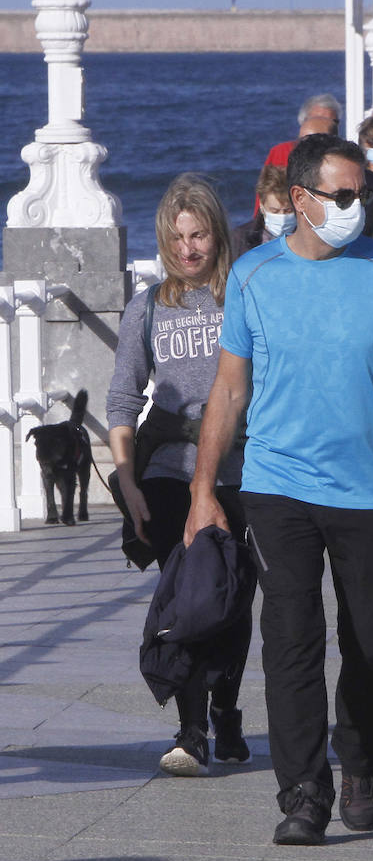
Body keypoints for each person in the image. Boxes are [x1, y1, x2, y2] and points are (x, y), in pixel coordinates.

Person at [185, 133, 373, 844]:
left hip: (371, 488)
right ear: (299, 199)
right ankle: (303, 792)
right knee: (291, 640)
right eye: (340, 196)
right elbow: (229, 390)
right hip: (279, 486)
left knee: (372, 641)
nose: (354, 207)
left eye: (361, 194)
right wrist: (203, 489)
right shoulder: (252, 276)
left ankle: (362, 762)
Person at [107, 174, 254, 778]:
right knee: (192, 593)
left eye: (198, 235)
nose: (188, 248)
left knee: (235, 599)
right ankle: (192, 728)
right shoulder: (147, 308)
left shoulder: (244, 297)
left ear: (218, 235)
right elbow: (121, 400)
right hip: (170, 470)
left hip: (242, 470)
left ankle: (226, 708)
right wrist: (129, 482)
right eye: (176, 237)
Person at [231, 165, 294, 259]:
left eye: (288, 211)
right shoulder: (239, 239)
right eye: (274, 211)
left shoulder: (312, 238)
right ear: (262, 205)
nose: (282, 217)